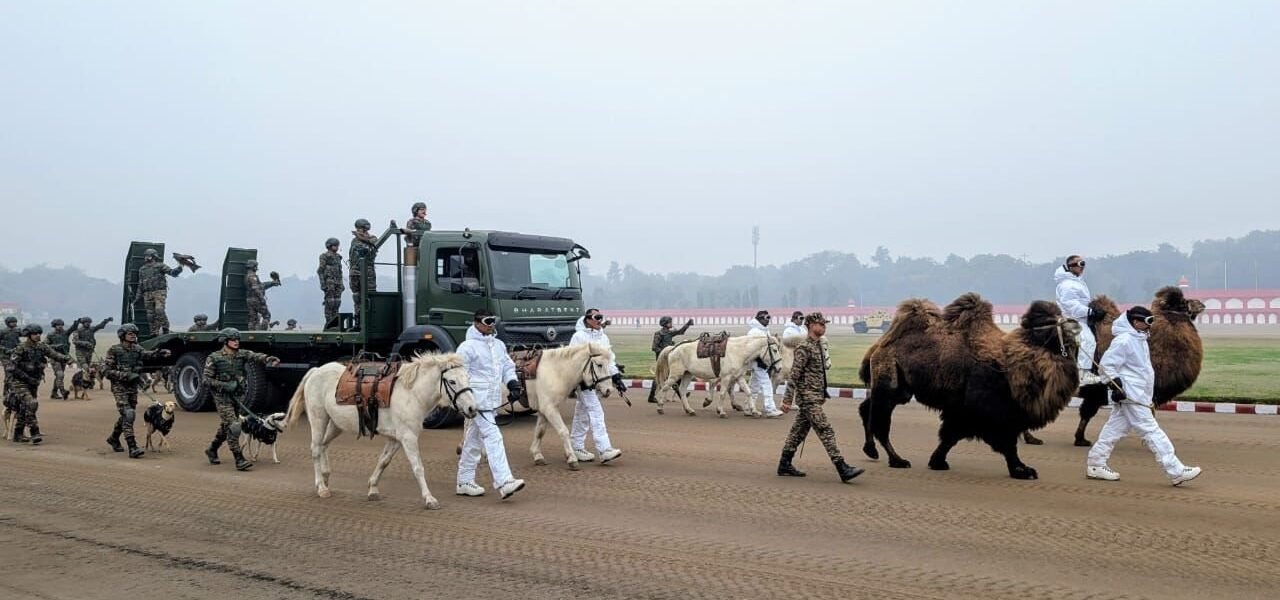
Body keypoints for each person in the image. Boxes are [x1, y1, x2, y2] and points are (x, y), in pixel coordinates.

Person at [1086, 307, 1202, 486]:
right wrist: (1115, 386)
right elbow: (1107, 365)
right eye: (1147, 322)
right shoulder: (1124, 340)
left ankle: (1095, 464)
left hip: (1139, 394)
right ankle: (1176, 471)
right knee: (1151, 430)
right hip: (1132, 395)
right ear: (1135, 322)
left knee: (1114, 430)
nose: (1149, 326)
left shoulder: (1139, 339)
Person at [776, 312, 863, 483]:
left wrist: (822, 393)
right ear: (810, 325)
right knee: (826, 429)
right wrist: (787, 400)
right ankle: (842, 467)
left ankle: (784, 464)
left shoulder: (817, 346)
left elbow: (818, 374)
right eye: (820, 324)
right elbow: (794, 375)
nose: (824, 327)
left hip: (814, 396)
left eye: (825, 324)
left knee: (797, 433)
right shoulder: (804, 348)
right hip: (808, 398)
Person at [454, 309, 527, 499]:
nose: (491, 324)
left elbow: (507, 367)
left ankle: (464, 481)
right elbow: (460, 376)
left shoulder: (499, 345)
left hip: (492, 400)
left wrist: (512, 383)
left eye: (493, 321)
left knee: (473, 441)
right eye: (487, 321)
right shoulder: (466, 347)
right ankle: (504, 482)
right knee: (493, 437)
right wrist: (467, 400)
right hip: (477, 402)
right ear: (476, 323)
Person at [202, 328, 280, 471]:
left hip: (237, 397)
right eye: (233, 340)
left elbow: (255, 356)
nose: (236, 342)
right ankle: (239, 458)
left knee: (226, 425)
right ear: (225, 341)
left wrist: (268, 358)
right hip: (222, 398)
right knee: (234, 426)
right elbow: (206, 380)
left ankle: (212, 449)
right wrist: (225, 385)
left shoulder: (241, 354)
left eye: (237, 339)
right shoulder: (214, 358)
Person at [103, 323, 171, 457]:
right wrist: (125, 375)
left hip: (132, 387)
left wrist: (159, 353)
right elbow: (106, 371)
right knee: (129, 414)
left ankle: (114, 438)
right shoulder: (114, 350)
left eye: (135, 333)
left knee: (126, 415)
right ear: (122, 336)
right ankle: (132, 447)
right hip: (119, 387)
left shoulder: (137, 349)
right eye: (130, 333)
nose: (133, 335)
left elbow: (147, 355)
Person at [569, 308, 627, 464]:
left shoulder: (604, 337)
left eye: (601, 317)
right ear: (588, 319)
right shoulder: (579, 337)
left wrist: (616, 377)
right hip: (584, 382)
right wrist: (581, 378)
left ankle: (576, 447)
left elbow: (610, 359)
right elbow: (573, 358)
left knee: (582, 414)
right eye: (597, 317)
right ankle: (604, 450)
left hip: (599, 382)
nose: (600, 320)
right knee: (596, 413)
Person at [7, 325, 72, 444]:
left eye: (39, 333)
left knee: (26, 407)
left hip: (33, 382)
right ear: (29, 335)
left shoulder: (42, 347)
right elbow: (11, 367)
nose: (38, 335)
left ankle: (18, 433)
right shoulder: (21, 348)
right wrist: (26, 377)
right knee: (32, 403)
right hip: (19, 382)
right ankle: (34, 431)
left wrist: (67, 358)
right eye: (35, 333)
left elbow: (54, 355)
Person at [1055, 255, 1105, 386]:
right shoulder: (1067, 285)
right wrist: (1091, 312)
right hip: (1072, 319)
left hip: (1081, 318)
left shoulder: (1077, 281)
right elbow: (1071, 306)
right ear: (1071, 266)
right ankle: (1083, 373)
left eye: (1084, 264)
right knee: (1088, 340)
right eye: (1081, 264)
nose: (1083, 267)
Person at [136, 248, 185, 335]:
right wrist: (138, 297)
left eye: (148, 255)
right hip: (147, 293)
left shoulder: (160, 266)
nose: (146, 257)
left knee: (159, 310)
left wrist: (180, 266)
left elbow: (172, 273)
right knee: (150, 315)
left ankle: (165, 327)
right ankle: (153, 332)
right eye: (145, 256)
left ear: (153, 257)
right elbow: (140, 284)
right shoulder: (142, 269)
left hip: (159, 292)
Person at [746, 310, 783, 418]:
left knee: (754, 386)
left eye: (768, 318)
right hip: (758, 362)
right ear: (760, 319)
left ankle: (748, 407)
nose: (768, 320)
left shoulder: (764, 331)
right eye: (766, 318)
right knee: (766, 385)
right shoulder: (755, 332)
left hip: (762, 362)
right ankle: (770, 409)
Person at [648, 316, 694, 402]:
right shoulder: (659, 334)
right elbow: (654, 347)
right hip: (662, 359)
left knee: (675, 376)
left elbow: (680, 332)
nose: (671, 323)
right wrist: (664, 352)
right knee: (660, 378)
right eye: (669, 322)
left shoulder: (669, 333)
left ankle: (681, 394)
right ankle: (651, 397)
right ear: (665, 324)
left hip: (670, 358)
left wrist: (687, 325)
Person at [244, 259, 282, 330]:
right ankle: (261, 331)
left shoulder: (247, 276)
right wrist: (262, 299)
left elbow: (261, 286)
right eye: (256, 266)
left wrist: (271, 283)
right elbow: (256, 288)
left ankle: (251, 332)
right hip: (256, 299)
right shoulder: (253, 276)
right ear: (254, 267)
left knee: (253, 318)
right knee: (267, 315)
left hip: (249, 300)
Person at [317, 238, 345, 328]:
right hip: (329, 281)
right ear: (329, 246)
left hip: (338, 282)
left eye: (337, 245)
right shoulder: (324, 256)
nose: (336, 247)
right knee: (330, 302)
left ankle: (335, 321)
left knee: (337, 302)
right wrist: (322, 283)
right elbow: (320, 270)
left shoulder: (338, 257)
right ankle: (329, 322)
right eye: (334, 245)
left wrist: (342, 283)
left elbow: (340, 271)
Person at [349, 219, 378, 303]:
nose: (358, 231)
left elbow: (374, 242)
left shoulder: (372, 238)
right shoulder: (354, 241)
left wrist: (360, 236)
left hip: (367, 270)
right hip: (355, 270)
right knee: (356, 294)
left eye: (359, 229)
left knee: (370, 292)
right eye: (357, 229)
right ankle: (358, 314)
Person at [45, 319, 73, 399]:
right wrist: (56, 346)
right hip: (54, 357)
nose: (60, 326)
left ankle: (54, 393)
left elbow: (72, 329)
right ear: (54, 326)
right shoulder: (51, 335)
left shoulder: (65, 333)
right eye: (58, 325)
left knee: (59, 376)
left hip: (64, 357)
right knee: (60, 374)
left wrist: (76, 323)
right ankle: (63, 391)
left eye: (61, 325)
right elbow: (45, 345)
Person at [2, 316, 22, 403]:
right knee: (9, 373)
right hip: (5, 356)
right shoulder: (2, 332)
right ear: (8, 323)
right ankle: (7, 391)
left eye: (15, 322)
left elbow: (24, 335)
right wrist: (5, 349)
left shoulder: (17, 331)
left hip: (15, 355)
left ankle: (9, 390)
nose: (14, 323)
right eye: (12, 322)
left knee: (15, 374)